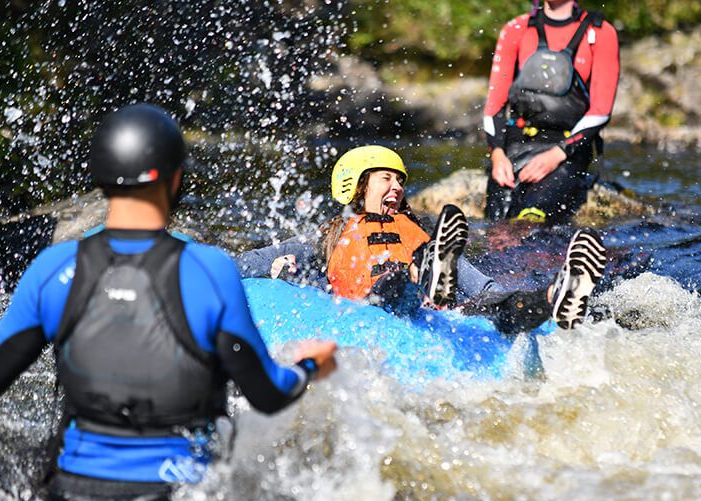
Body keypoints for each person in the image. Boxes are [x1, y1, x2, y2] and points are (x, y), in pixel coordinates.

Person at [0, 104, 337, 501]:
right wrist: (310, 364)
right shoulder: (209, 270)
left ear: (100, 178)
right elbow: (269, 393)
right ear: (176, 178)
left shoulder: (53, 269)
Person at [239, 145, 608, 333]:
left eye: (400, 181)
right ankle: (419, 275)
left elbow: (481, 286)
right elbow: (246, 263)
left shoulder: (425, 234)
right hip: (373, 305)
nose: (397, 187)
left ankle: (556, 295)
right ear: (357, 185)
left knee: (495, 307)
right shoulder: (327, 237)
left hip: (438, 306)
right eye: (386, 178)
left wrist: (502, 298)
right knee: (394, 285)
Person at [483, 0, 620, 223]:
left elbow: (601, 111)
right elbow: (494, 106)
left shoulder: (601, 32)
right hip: (515, 147)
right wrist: (498, 155)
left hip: (567, 151)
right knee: (497, 220)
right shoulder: (517, 28)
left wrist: (557, 154)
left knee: (533, 217)